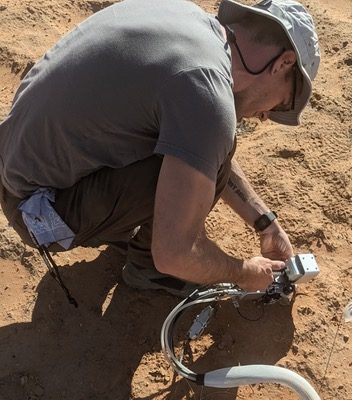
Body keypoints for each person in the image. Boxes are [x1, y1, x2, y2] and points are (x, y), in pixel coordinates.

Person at [0, 0, 320, 300]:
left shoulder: (188, 21)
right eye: (284, 104)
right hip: (36, 214)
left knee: (209, 149)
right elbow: (175, 253)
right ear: (283, 63)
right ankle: (147, 270)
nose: (268, 117)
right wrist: (244, 273)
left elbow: (204, 140)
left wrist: (265, 222)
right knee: (201, 168)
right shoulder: (206, 93)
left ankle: (126, 234)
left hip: (13, 168)